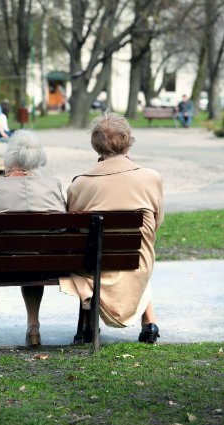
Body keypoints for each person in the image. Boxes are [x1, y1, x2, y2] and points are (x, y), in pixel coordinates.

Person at [60, 112, 163, 344]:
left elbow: (74, 232)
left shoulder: (80, 184)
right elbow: (156, 223)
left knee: (91, 251)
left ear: (95, 145)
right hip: (137, 264)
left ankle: (88, 324)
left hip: (94, 268)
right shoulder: (151, 178)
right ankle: (150, 322)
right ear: (128, 140)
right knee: (134, 251)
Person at [0, 130, 66, 347]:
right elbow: (62, 228)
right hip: (44, 267)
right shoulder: (52, 186)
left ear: (11, 156)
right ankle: (33, 326)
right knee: (34, 253)